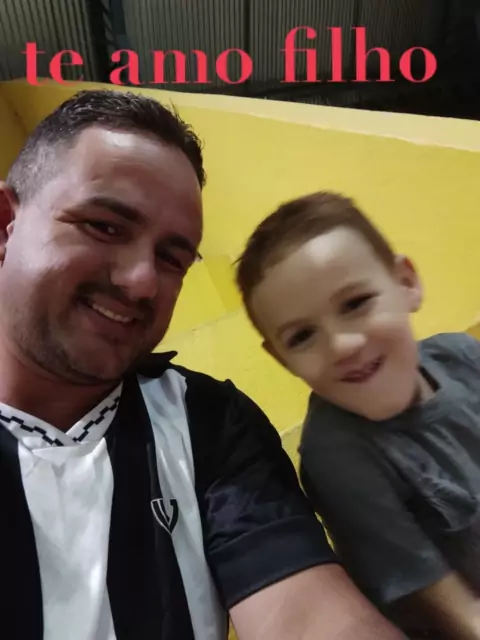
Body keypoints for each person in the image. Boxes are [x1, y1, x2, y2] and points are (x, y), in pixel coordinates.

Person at [0, 90, 403, 640]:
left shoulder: (210, 423)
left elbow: (306, 614)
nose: (142, 281)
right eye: (105, 226)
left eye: (172, 258)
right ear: (6, 224)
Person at [235, 190, 480, 640]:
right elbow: (458, 614)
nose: (342, 345)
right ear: (281, 358)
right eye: (302, 336)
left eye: (355, 304)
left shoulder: (463, 355)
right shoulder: (336, 454)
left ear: (405, 282)